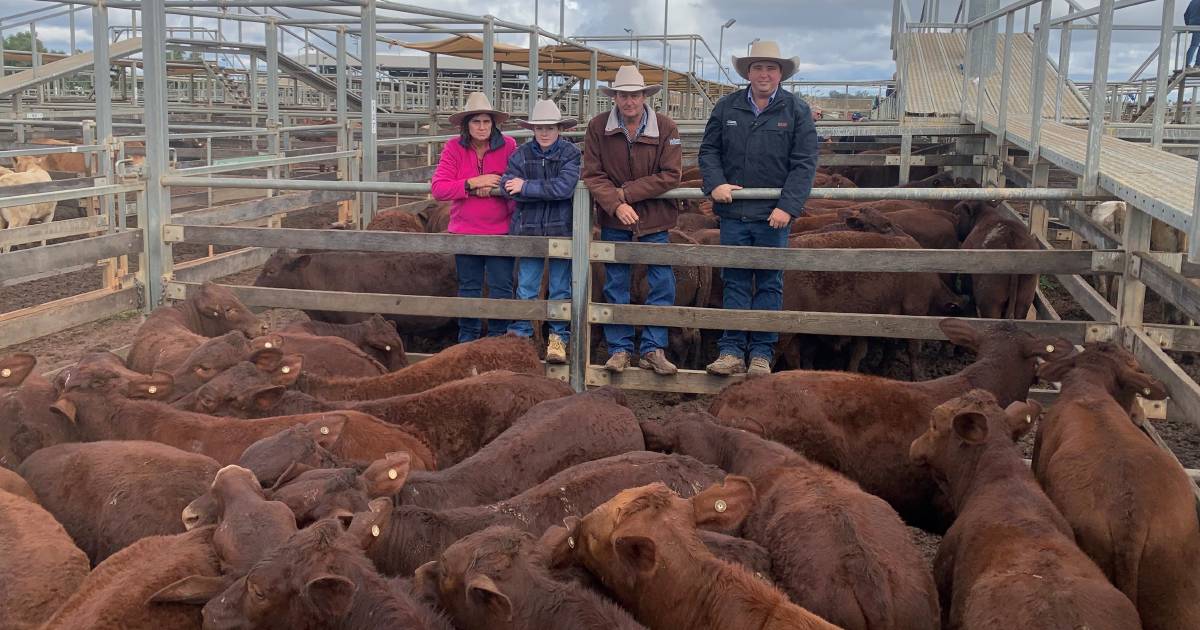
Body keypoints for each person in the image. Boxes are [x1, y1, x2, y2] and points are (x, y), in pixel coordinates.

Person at [699, 40, 819, 376]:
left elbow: (805, 162)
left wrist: (788, 206)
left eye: (770, 68)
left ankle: (762, 353)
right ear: (748, 73)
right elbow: (708, 151)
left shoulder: (796, 110)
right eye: (758, 68)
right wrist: (715, 184)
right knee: (734, 280)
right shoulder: (727, 107)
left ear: (780, 73)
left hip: (773, 217)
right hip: (734, 212)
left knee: (769, 281)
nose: (764, 74)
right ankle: (732, 350)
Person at [582, 65, 683, 375]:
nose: (629, 102)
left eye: (634, 95)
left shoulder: (666, 127)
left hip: (654, 218)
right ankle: (619, 349)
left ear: (643, 96)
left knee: (661, 284)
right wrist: (615, 205)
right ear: (614, 98)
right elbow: (592, 174)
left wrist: (625, 195)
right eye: (623, 96)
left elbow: (671, 174)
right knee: (615, 282)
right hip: (616, 220)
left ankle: (653, 347)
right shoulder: (598, 127)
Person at [431, 92, 518, 342]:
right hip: (465, 230)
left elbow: (517, 180)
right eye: (476, 122)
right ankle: (467, 341)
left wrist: (496, 185)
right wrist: (471, 183)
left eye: (486, 122)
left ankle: (498, 340)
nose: (482, 127)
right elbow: (439, 188)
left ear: (494, 124)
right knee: (469, 288)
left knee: (502, 288)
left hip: (500, 230)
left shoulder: (509, 146)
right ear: (466, 125)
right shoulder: (454, 147)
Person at [501, 99, 582, 363]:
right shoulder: (520, 154)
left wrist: (526, 188)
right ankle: (522, 335)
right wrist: (531, 189)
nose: (544, 132)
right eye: (539, 127)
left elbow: (564, 188)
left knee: (560, 287)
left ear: (559, 128)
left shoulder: (571, 153)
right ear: (532, 129)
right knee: (526, 285)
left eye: (550, 127)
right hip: (530, 231)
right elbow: (506, 185)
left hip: (560, 230)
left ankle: (557, 339)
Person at [1187, 0, 1200, 69]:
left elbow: (1186, 14)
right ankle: (1197, 64)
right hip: (1199, 24)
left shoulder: (1193, 1)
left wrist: (1188, 24)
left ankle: (1187, 64)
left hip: (1193, 24)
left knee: (1194, 45)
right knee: (1195, 45)